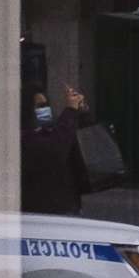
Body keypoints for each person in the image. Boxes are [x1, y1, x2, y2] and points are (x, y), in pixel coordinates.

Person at [19, 83, 93, 216]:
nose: (44, 110)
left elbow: (81, 137)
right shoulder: (23, 136)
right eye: (40, 107)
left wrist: (81, 111)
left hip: (67, 206)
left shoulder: (50, 129)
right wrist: (70, 111)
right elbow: (54, 149)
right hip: (42, 211)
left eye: (46, 105)